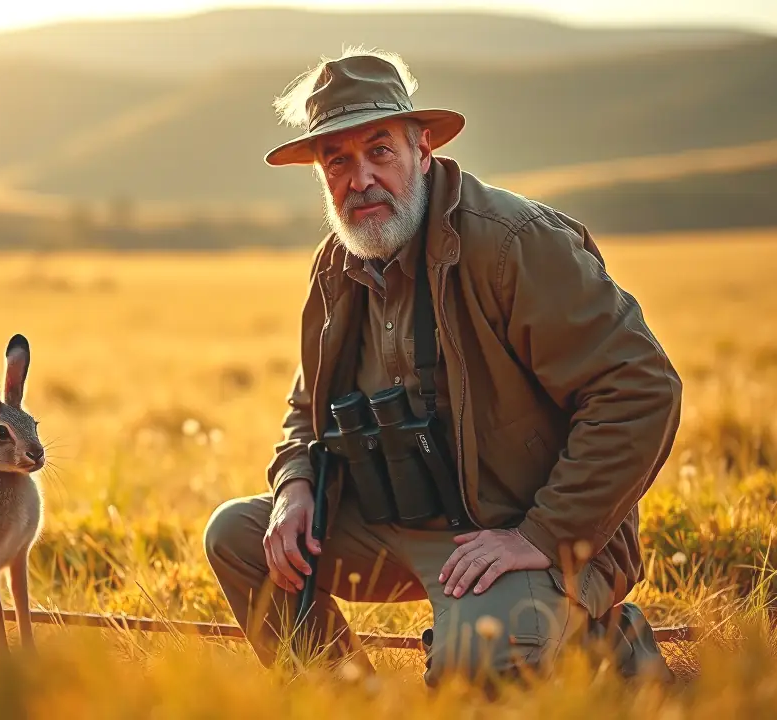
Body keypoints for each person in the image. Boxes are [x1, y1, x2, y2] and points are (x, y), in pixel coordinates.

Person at [203, 48, 682, 685]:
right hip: (398, 524)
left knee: (471, 674)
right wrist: (295, 486)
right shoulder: (337, 264)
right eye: (337, 161)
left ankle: (602, 642)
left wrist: (542, 535)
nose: (360, 180)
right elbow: (306, 405)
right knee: (238, 535)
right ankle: (343, 701)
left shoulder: (511, 243)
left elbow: (641, 388)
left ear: (422, 149)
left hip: (519, 529)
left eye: (380, 151)